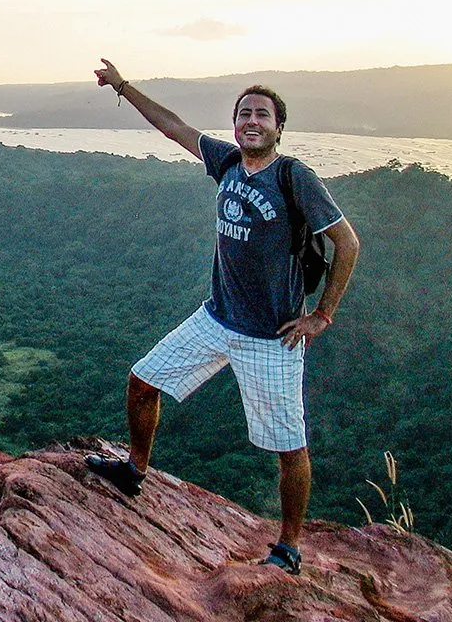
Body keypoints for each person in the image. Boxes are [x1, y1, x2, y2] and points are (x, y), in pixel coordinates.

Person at [84, 58, 360, 576]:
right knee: (142, 382)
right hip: (216, 318)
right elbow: (173, 126)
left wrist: (323, 314)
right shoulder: (228, 161)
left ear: (279, 127)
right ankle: (134, 470)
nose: (251, 121)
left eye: (262, 115)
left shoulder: (294, 177)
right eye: (244, 114)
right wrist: (122, 85)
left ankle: (289, 546)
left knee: (289, 446)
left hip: (272, 336)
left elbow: (347, 243)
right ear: (235, 124)